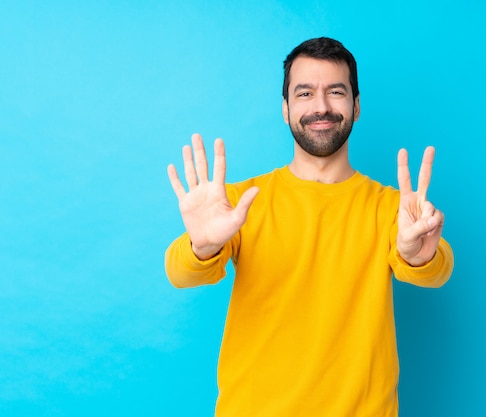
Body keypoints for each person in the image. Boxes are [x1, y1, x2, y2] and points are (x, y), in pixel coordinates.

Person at [165, 37, 454, 417]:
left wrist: (420, 256)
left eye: (336, 91)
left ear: (356, 106)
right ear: (285, 109)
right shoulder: (239, 203)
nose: (320, 107)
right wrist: (202, 247)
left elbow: (439, 270)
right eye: (304, 93)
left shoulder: (393, 209)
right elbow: (179, 271)